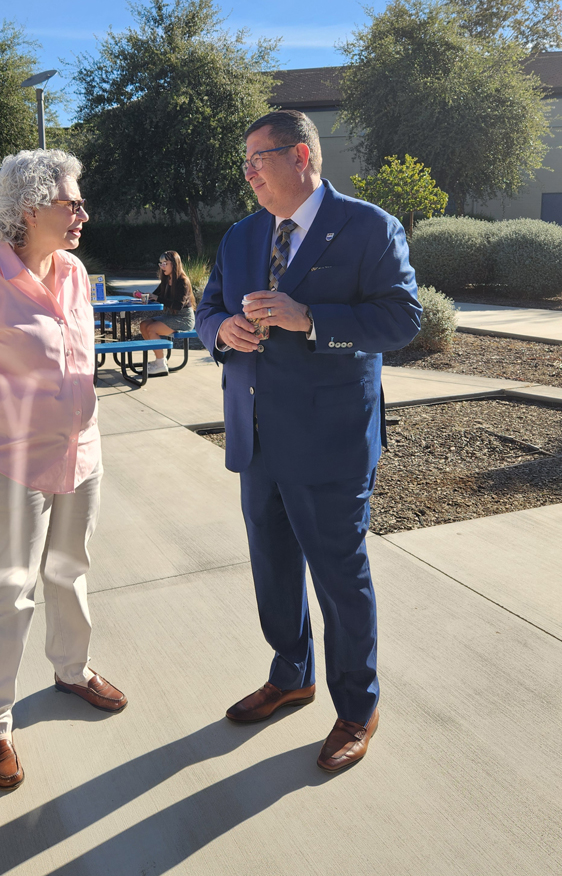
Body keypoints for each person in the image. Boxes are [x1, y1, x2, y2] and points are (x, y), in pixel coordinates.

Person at [195, 111, 421, 772]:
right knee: (272, 568)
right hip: (255, 437)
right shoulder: (241, 237)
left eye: (256, 160)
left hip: (330, 441)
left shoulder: (368, 227)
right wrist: (220, 334)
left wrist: (310, 318)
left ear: (300, 155)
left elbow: (402, 317)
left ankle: (357, 707)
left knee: (339, 578)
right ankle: (291, 672)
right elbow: (208, 307)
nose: (247, 174)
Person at [0, 149, 127, 791]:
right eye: (71, 202)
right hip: (8, 465)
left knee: (69, 571)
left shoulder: (72, 273)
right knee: (8, 592)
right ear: (30, 207)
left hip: (81, 453)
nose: (82, 214)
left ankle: (71, 670)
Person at [137, 250, 196, 376]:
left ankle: (160, 364)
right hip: (171, 316)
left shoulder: (182, 281)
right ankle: (159, 360)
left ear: (174, 264)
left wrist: (157, 298)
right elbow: (155, 295)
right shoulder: (166, 280)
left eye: (165, 263)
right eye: (161, 263)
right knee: (143, 325)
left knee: (152, 329)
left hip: (184, 319)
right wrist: (141, 295)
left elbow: (178, 305)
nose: (162, 266)